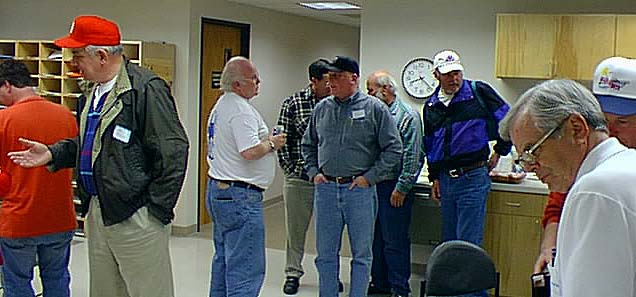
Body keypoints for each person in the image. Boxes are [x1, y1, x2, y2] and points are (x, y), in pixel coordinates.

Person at [7, 15, 189, 297]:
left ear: (102, 55)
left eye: (77, 55)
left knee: (148, 291)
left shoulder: (145, 88)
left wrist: (155, 212)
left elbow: (173, 150)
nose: (73, 63)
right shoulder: (92, 93)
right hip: (99, 211)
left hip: (136, 216)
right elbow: (91, 145)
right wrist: (54, 153)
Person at [501, 79, 636, 297]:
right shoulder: (625, 166)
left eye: (532, 150)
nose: (530, 167)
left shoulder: (595, 191)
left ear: (577, 129)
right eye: (523, 159)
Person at [302, 56, 402, 297]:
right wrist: (314, 173)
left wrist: (370, 177)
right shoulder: (322, 108)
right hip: (326, 189)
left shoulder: (374, 108)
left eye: (337, 77)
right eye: (329, 78)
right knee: (325, 254)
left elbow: (394, 148)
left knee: (361, 255)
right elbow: (308, 145)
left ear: (353, 78)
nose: (331, 83)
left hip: (358, 190)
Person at [533, 56, 636, 274]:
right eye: (604, 121)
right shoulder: (585, 161)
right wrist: (549, 247)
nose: (611, 131)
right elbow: (556, 206)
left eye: (622, 122)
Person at [206, 56, 286, 297]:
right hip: (240, 196)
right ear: (237, 84)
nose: (259, 81)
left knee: (224, 261)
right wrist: (272, 143)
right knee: (245, 268)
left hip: (220, 192)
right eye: (253, 78)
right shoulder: (240, 111)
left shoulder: (221, 105)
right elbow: (250, 151)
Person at [0, 59, 77, 297]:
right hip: (60, 217)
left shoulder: (4, 120)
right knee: (57, 280)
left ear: (7, 85)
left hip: (18, 220)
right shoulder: (66, 115)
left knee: (17, 283)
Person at [422, 49, 512, 250]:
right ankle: (451, 282)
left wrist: (500, 150)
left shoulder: (478, 91)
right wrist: (434, 177)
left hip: (473, 176)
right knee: (449, 243)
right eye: (448, 74)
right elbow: (430, 144)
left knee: (468, 243)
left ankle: (467, 282)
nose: (454, 79)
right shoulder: (431, 105)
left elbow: (509, 120)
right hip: (446, 180)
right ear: (436, 74)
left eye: (457, 73)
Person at [276, 59, 335, 295]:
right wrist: (290, 169)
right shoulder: (293, 103)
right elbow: (281, 140)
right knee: (295, 229)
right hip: (299, 178)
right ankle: (292, 272)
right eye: (326, 82)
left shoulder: (337, 104)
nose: (331, 86)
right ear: (314, 81)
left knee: (329, 231)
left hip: (329, 180)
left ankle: (328, 274)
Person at [366, 71, 424, 297]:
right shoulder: (374, 113)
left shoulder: (407, 116)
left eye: (371, 90)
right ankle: (379, 284)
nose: (368, 94)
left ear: (386, 89)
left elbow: (414, 155)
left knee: (394, 242)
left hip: (394, 187)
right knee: (376, 240)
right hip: (374, 186)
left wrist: (402, 187)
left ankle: (400, 289)